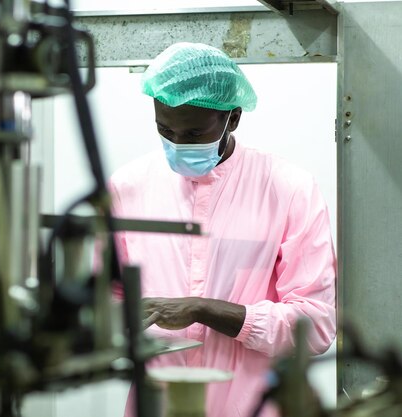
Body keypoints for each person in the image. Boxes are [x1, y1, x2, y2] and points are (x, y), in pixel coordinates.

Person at [109, 43, 336, 417]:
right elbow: (109, 299)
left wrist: (205, 310)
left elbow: (316, 325)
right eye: (164, 130)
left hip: (251, 406)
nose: (177, 145)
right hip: (157, 405)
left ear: (233, 118)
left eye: (194, 134)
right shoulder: (128, 186)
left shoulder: (288, 188)